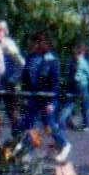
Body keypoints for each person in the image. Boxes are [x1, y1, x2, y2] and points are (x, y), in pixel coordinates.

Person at [20, 30, 71, 163]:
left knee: (49, 124)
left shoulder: (51, 60)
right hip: (33, 97)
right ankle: (27, 151)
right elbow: (25, 78)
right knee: (29, 124)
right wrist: (25, 95)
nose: (31, 45)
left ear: (40, 43)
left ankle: (64, 144)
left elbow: (54, 82)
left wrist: (50, 102)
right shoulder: (30, 58)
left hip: (47, 98)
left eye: (33, 42)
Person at [0, 18, 24, 132]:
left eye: (0, 30)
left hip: (8, 83)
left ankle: (18, 138)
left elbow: (21, 63)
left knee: (13, 114)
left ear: (5, 31)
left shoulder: (9, 45)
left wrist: (15, 78)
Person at [59, 43, 89, 131]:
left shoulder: (70, 60)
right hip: (82, 85)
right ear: (83, 52)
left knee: (69, 104)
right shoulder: (83, 61)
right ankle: (87, 125)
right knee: (86, 105)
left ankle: (61, 122)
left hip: (72, 84)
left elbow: (66, 73)